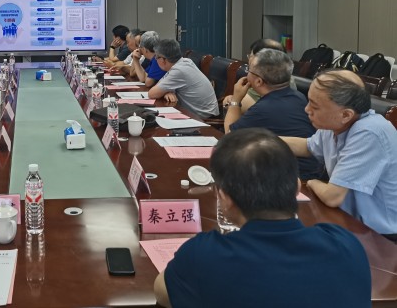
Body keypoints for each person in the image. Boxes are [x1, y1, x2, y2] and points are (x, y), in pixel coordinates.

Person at [154, 128, 371, 308]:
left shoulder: (204, 254)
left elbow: (162, 293)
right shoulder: (346, 244)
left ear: (224, 198)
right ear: (296, 187)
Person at [282, 69, 397, 237]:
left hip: (382, 235)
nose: (307, 109)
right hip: (350, 220)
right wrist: (262, 140)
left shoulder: (369, 132)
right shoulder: (336, 124)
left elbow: (333, 197)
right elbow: (307, 146)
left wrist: (312, 182)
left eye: (314, 106)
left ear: (345, 114)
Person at [224, 48, 321, 179]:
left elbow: (229, 138)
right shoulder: (299, 97)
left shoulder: (263, 109)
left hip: (289, 178)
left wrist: (236, 99)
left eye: (249, 70)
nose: (246, 74)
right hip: (310, 171)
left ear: (258, 81)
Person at [148, 38, 218, 118]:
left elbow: (152, 94)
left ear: (163, 59)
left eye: (157, 57)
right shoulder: (186, 61)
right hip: (204, 112)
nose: (156, 60)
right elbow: (160, 86)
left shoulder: (178, 70)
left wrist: (165, 90)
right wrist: (167, 91)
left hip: (203, 118)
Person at [222, 38, 295, 113]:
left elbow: (236, 108)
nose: (249, 60)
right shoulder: (285, 76)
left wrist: (234, 100)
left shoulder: (264, 79)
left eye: (251, 56)